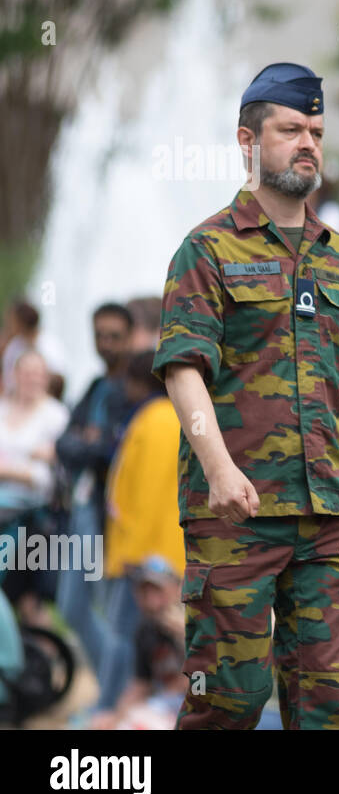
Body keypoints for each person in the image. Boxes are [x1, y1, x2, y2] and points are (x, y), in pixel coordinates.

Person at [152, 62, 339, 729]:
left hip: (330, 515)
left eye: (315, 129)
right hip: (236, 513)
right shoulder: (205, 248)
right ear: (249, 143)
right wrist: (220, 470)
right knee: (227, 701)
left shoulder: (337, 254)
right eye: (290, 129)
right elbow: (182, 369)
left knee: (329, 707)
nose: (308, 142)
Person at [53, 300, 135, 699]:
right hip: (84, 508)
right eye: (100, 335)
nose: (106, 344)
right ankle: (116, 688)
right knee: (73, 605)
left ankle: (118, 693)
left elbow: (110, 449)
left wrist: (88, 442)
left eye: (114, 336)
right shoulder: (95, 386)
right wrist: (86, 442)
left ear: (130, 337)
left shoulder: (134, 389)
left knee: (108, 609)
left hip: (111, 513)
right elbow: (64, 443)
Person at [97, 350, 184, 713]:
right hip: (173, 552)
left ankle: (109, 707)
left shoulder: (149, 420)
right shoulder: (180, 418)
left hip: (144, 556)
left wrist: (126, 555)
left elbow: (134, 496)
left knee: (123, 638)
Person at [0, 350, 70, 626]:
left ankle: (42, 661)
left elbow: (50, 477)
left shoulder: (56, 416)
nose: (32, 379)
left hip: (34, 518)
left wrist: (9, 470)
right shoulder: (3, 408)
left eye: (39, 373)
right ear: (14, 374)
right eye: (27, 372)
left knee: (28, 598)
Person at [90, 555, 188, 730]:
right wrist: (115, 717)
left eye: (158, 591)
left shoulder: (197, 624)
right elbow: (140, 684)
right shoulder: (145, 629)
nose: (152, 601)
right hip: (165, 704)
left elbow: (202, 684)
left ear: (177, 588)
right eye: (145, 592)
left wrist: (185, 638)